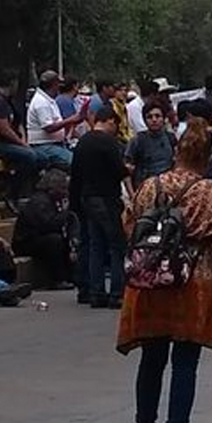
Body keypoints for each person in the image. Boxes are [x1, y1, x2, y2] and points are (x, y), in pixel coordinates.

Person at [117, 116, 212, 423]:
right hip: (194, 284)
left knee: (152, 358)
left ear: (177, 151)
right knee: (185, 361)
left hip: (152, 281)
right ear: (207, 157)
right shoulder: (211, 192)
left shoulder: (150, 186)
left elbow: (128, 223)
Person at [70, 106, 129, 308]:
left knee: (95, 244)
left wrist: (75, 203)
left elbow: (75, 175)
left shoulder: (82, 143)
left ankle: (95, 292)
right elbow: (118, 170)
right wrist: (127, 169)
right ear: (110, 121)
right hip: (106, 198)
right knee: (115, 245)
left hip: (87, 198)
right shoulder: (108, 142)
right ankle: (116, 292)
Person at [12, 169, 76, 290]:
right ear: (52, 188)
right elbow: (49, 225)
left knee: (62, 240)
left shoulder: (51, 200)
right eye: (63, 189)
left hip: (37, 237)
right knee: (54, 241)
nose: (65, 193)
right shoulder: (40, 201)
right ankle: (57, 279)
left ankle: (70, 275)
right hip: (26, 242)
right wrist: (66, 213)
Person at [0, 76, 35, 184]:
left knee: (40, 156)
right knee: (29, 155)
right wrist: (22, 144)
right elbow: (4, 130)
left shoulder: (8, 99)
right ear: (11, 83)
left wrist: (24, 139)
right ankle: (17, 188)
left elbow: (18, 121)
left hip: (14, 141)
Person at [27, 70, 81, 169]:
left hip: (56, 143)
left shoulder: (49, 100)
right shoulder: (41, 103)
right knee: (75, 162)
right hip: (44, 145)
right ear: (53, 85)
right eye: (58, 83)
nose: (60, 86)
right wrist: (71, 120)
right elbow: (49, 127)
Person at [124, 100, 177, 189]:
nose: (154, 120)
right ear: (144, 120)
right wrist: (132, 195)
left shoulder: (171, 138)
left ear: (164, 118)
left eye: (157, 116)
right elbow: (127, 171)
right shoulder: (137, 141)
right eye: (149, 117)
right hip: (145, 189)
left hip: (168, 188)